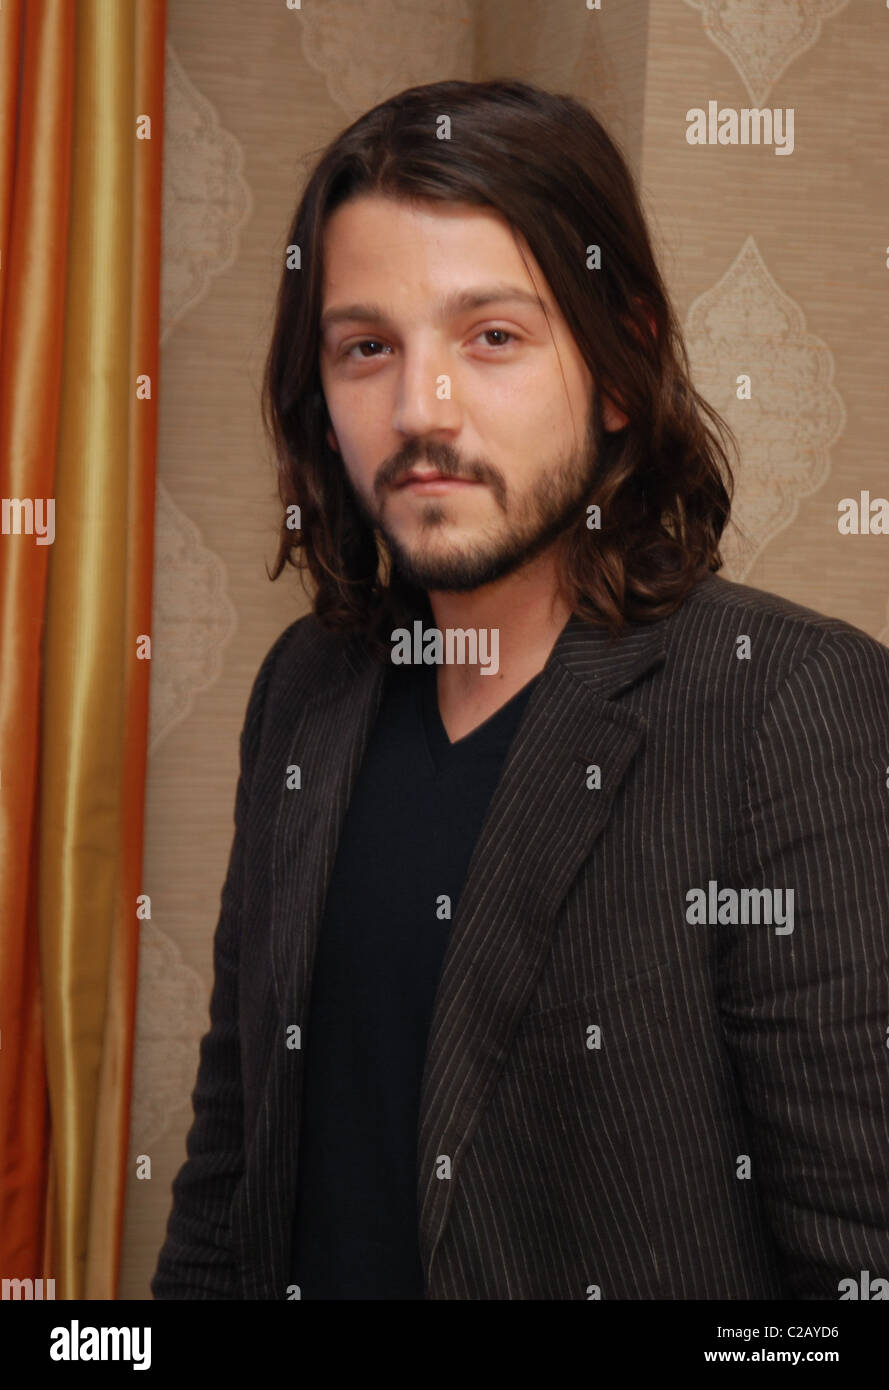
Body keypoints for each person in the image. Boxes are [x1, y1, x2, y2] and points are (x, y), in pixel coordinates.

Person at [152, 79, 889, 1301]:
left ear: (616, 366)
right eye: (366, 347)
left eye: (490, 337)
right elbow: (231, 1181)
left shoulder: (788, 710)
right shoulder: (306, 694)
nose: (418, 411)